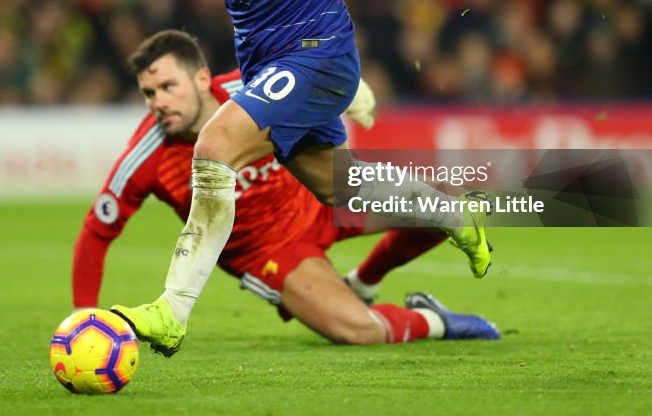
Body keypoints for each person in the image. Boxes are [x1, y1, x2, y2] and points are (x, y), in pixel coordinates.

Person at [59, 0, 489, 356]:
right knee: (338, 186)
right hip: (268, 68)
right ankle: (452, 217)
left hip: (323, 54)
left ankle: (172, 311)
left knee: (212, 149)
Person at [72, 30, 499, 345]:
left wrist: (353, 91)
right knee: (359, 331)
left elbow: (310, 73)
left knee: (447, 198)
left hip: (317, 200)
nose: (158, 102)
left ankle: (365, 282)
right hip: (272, 254)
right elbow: (97, 232)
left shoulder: (247, 89)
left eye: (168, 87)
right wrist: (83, 318)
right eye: (149, 93)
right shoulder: (146, 154)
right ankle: (432, 320)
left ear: (202, 80)